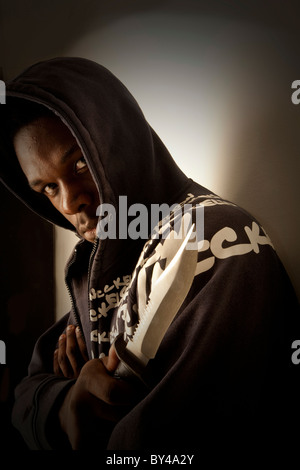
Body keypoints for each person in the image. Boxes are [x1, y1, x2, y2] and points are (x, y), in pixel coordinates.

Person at [0, 57, 299, 452]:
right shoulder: (98, 261)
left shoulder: (213, 239)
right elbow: (26, 391)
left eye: (79, 164)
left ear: (118, 141)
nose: (71, 202)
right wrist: (65, 403)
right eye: (48, 189)